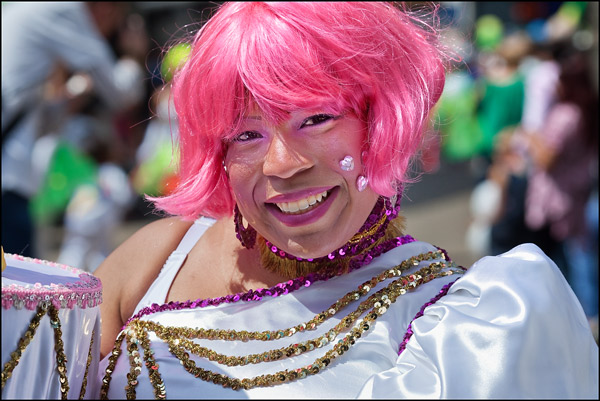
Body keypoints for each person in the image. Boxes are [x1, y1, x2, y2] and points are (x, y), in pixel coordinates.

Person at [93, 2, 598, 399]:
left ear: (380, 122)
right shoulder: (158, 256)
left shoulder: (478, 328)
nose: (282, 164)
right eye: (246, 135)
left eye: (316, 119)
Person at [1, 2, 145, 257]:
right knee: (21, 287)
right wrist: (133, 55)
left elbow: (40, 121)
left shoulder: (28, 10)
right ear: (105, 8)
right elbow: (122, 93)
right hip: (9, 178)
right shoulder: (65, 10)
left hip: (13, 176)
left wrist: (67, 101)